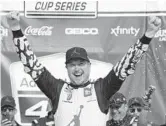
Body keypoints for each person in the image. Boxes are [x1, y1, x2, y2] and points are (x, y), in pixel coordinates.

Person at [6, 11, 161, 126]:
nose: (77, 69)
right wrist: (15, 29)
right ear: (66, 68)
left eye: (81, 64)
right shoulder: (56, 89)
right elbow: (31, 64)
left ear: (89, 65)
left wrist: (148, 35)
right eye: (72, 64)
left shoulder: (102, 88)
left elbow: (126, 65)